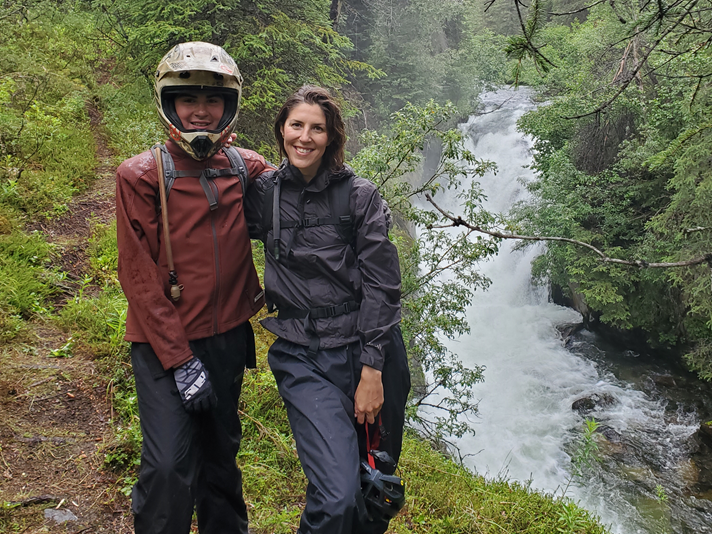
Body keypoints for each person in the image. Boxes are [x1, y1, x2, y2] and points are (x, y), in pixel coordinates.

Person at [115, 42, 274, 534]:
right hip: (164, 346)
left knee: (221, 458)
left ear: (229, 107)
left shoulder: (244, 166)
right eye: (189, 99)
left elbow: (299, 197)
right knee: (167, 467)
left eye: (212, 99)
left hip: (226, 337)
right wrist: (181, 361)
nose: (201, 110)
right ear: (169, 104)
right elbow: (137, 276)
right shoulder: (140, 175)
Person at [245, 85, 411, 534]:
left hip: (368, 353)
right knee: (338, 495)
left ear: (332, 136)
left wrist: (372, 370)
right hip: (303, 357)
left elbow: (383, 284)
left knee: (374, 490)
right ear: (281, 130)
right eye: (296, 125)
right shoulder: (264, 193)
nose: (305, 137)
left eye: (317, 128)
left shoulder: (359, 196)